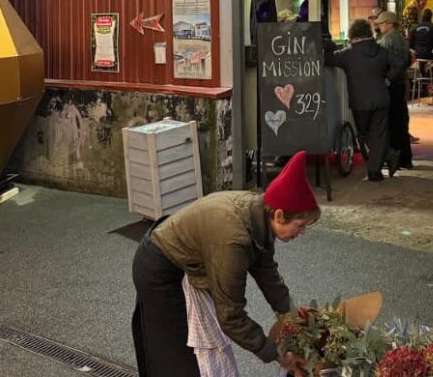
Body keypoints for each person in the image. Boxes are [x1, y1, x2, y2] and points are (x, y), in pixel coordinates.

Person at [132, 152, 317, 377]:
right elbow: (231, 316)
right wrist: (277, 354)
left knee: (197, 349)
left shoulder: (259, 214)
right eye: (300, 225)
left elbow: (268, 275)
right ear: (279, 215)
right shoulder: (233, 241)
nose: (302, 232)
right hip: (159, 268)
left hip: (188, 261)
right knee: (178, 354)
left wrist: (297, 322)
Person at [325, 19, 400, 181]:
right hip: (381, 98)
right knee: (378, 134)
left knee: (364, 134)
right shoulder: (381, 50)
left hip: (359, 102)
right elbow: (398, 64)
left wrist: (326, 43)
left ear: (353, 34)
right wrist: (388, 79)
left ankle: (378, 166)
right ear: (368, 33)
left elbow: (328, 58)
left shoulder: (347, 53)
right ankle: (382, 163)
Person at [375, 11, 413, 171]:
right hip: (400, 83)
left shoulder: (388, 40)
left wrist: (387, 79)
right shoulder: (401, 38)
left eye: (382, 23)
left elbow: (390, 63)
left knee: (393, 122)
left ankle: (396, 157)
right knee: (401, 121)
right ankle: (405, 158)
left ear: (390, 24)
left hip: (393, 85)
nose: (379, 26)